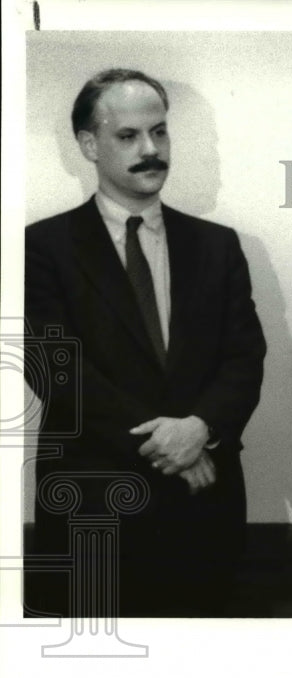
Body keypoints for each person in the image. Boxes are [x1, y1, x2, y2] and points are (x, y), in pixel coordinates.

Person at [24, 69, 267, 616]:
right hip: (94, 516)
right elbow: (56, 370)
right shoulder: (40, 248)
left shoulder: (218, 246)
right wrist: (174, 449)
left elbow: (244, 358)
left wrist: (200, 430)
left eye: (159, 132)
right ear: (88, 144)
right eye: (128, 136)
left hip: (204, 512)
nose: (151, 149)